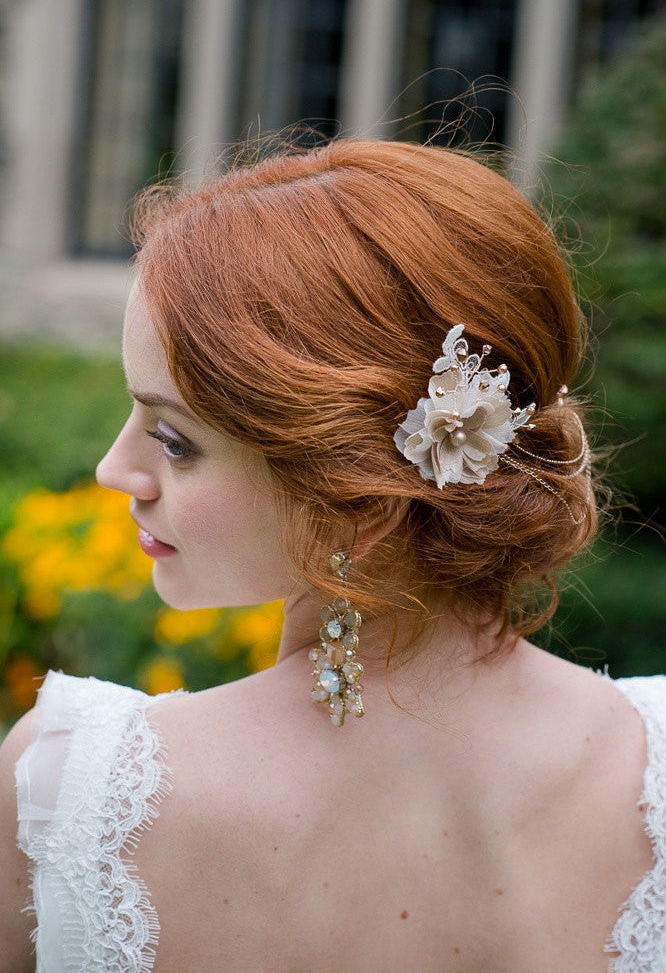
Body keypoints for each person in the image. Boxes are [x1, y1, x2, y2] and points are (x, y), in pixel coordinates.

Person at [0, 138, 664, 973]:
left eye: (173, 439)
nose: (114, 469)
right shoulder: (654, 775)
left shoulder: (76, 795)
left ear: (362, 495)